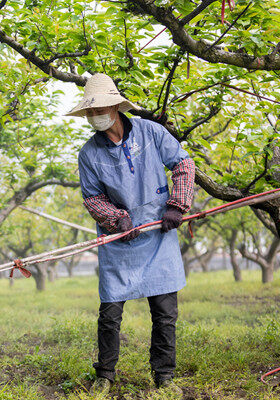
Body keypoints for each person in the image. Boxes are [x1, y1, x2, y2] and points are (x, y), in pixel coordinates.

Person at [66, 73, 195, 396]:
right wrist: (116, 219)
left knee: (165, 313)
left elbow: (182, 163)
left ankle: (164, 375)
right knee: (110, 312)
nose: (96, 116)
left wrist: (177, 206)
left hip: (158, 231)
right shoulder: (89, 154)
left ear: (116, 107)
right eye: (91, 112)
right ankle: (105, 374)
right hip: (120, 240)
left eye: (101, 109)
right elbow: (93, 197)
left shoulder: (151, 132)